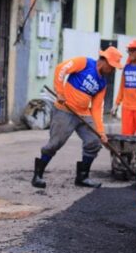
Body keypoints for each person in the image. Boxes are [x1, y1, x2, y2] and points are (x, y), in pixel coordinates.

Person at [32, 46, 123, 189]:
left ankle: (82, 177)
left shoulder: (102, 83)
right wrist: (60, 92)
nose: (112, 71)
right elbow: (61, 69)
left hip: (83, 113)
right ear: (104, 61)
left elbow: (97, 108)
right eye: (112, 67)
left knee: (94, 141)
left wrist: (101, 132)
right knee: (55, 144)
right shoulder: (84, 63)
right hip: (65, 110)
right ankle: (38, 175)